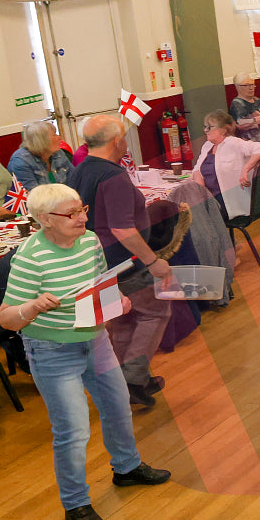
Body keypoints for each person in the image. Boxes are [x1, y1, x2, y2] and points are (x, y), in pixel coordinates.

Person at [0, 183, 171, 520]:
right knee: (73, 430)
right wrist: (30, 307)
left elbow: (99, 284)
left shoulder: (89, 240)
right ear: (45, 220)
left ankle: (126, 468)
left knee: (118, 406)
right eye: (72, 213)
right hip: (52, 352)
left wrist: (117, 300)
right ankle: (75, 502)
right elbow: (5, 317)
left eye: (83, 209)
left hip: (96, 340)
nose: (82, 218)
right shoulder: (30, 258)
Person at [66, 114, 173, 406]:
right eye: (124, 136)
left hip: (96, 261)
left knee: (124, 320)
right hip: (123, 261)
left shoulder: (78, 171)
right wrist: (153, 262)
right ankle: (133, 377)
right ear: (117, 142)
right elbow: (122, 228)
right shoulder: (113, 176)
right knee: (155, 312)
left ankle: (122, 380)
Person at [191, 110, 260, 222]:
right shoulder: (207, 146)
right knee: (185, 210)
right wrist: (199, 182)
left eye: (210, 127)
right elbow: (197, 168)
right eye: (205, 127)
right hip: (209, 199)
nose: (205, 130)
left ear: (223, 130)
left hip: (228, 203)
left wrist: (245, 169)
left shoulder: (233, 143)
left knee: (192, 218)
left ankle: (219, 239)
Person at [7, 121, 73, 191]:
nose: (59, 137)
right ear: (41, 141)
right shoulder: (20, 162)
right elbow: (34, 196)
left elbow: (76, 178)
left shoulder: (58, 153)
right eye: (54, 135)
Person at [229, 73, 260, 144]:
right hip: (256, 139)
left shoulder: (256, 100)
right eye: (246, 85)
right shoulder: (237, 104)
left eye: (252, 84)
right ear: (237, 87)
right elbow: (241, 125)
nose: (251, 88)